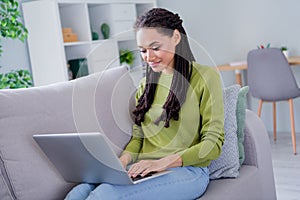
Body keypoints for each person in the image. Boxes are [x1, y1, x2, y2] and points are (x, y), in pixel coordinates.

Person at [65, 8, 224, 200]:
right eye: (143, 51)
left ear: (175, 37)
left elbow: (213, 144)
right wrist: (121, 162)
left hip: (187, 172)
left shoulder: (206, 77)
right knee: (80, 191)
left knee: (104, 195)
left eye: (155, 47)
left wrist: (163, 162)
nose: (148, 57)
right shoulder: (145, 86)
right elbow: (139, 137)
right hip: (143, 168)